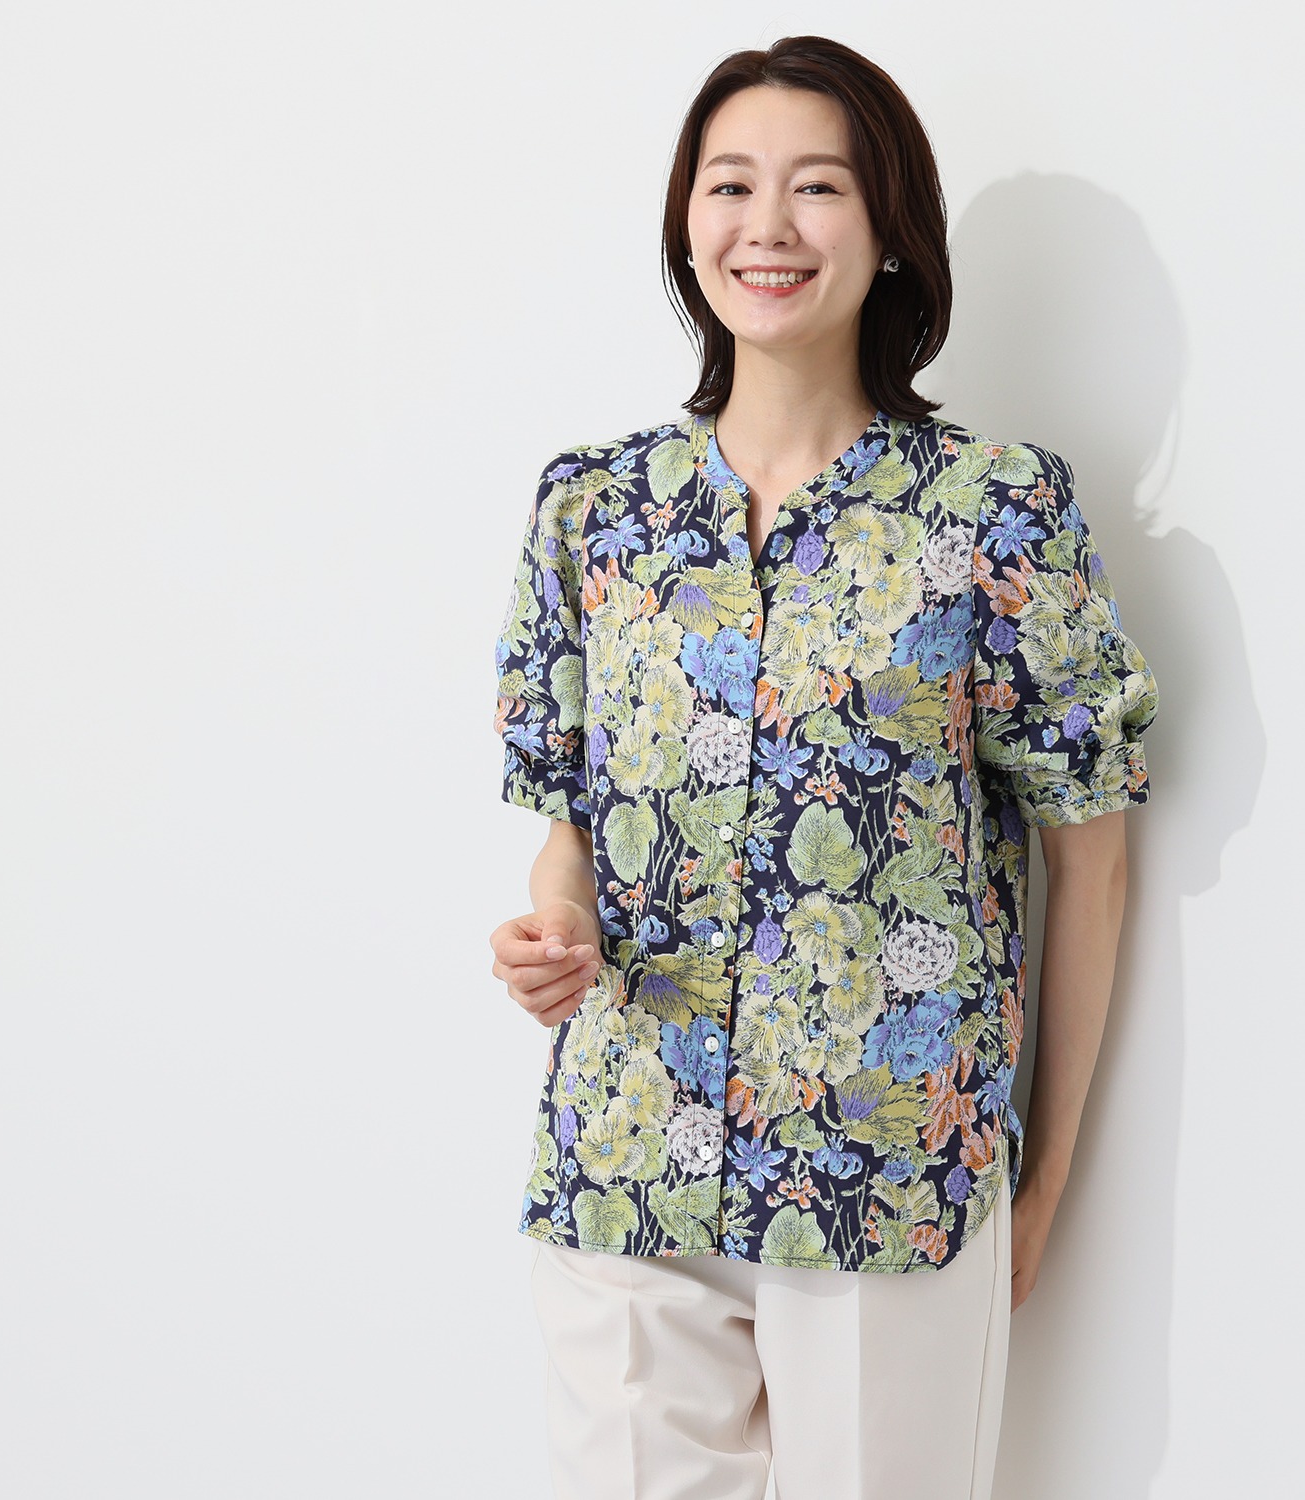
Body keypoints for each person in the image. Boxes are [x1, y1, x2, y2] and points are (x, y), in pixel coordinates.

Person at [489, 34, 1159, 1500]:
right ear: (688, 221)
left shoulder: (995, 514)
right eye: (731, 186)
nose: (769, 226)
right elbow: (568, 827)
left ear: (889, 226)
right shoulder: (593, 514)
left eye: (818, 187)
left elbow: (1091, 858)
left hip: (889, 1176)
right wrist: (558, 927)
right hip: (629, 1161)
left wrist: (1044, 1173)